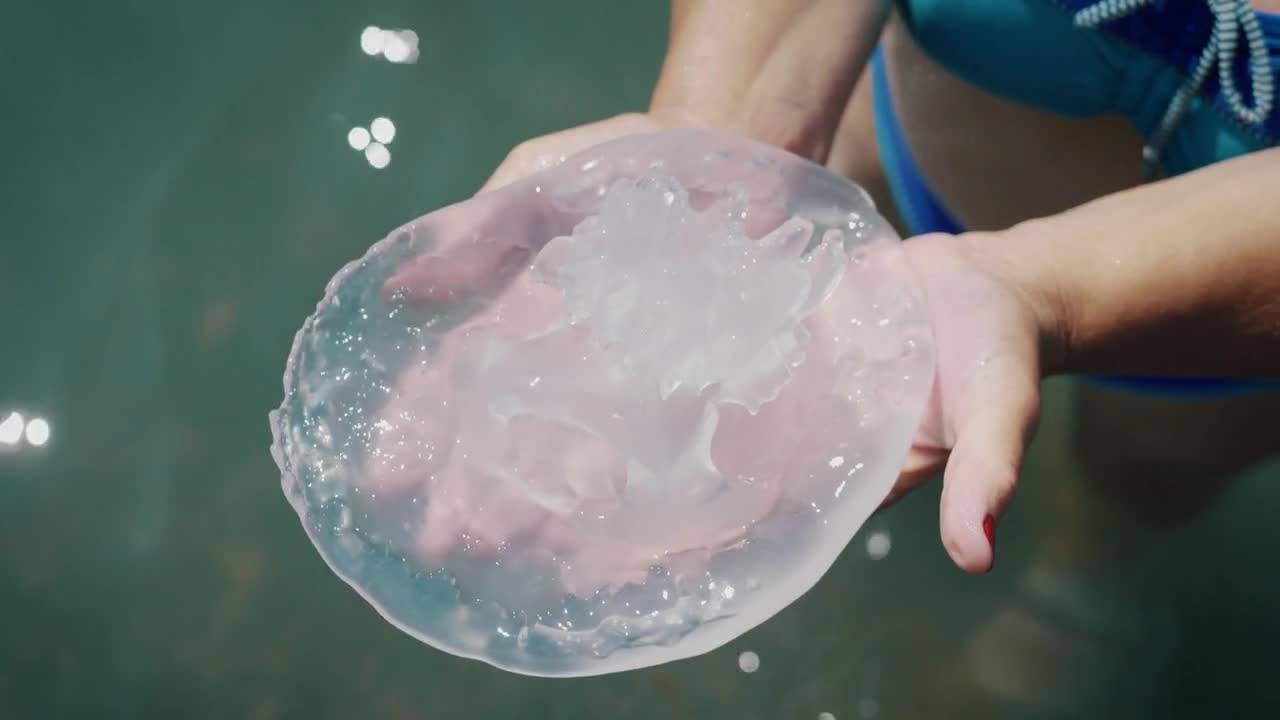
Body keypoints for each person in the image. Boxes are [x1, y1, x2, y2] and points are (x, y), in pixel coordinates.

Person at [473, 0, 1280, 709]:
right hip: (884, 152)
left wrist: (1045, 293)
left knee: (1140, 476)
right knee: (760, 278)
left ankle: (1092, 571)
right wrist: (714, 141)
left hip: (1201, 309)